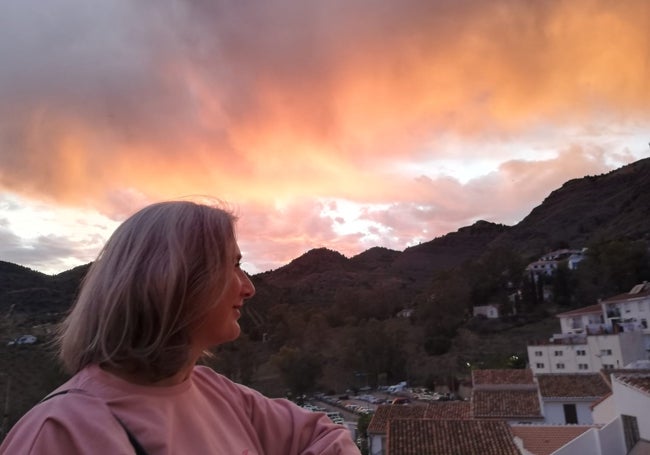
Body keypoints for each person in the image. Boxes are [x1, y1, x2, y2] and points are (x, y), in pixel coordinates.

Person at [0, 200, 360, 454]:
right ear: (175, 281)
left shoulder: (213, 390)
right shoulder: (59, 433)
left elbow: (326, 436)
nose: (249, 287)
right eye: (232, 265)